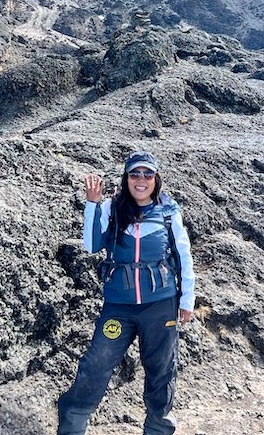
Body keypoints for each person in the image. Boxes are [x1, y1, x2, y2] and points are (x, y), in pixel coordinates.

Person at [57, 151, 195, 435]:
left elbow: (183, 255)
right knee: (96, 363)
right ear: (126, 178)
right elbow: (92, 244)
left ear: (156, 179)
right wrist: (93, 205)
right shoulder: (112, 207)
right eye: (135, 174)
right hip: (118, 306)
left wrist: (186, 299)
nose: (141, 180)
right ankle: (71, 428)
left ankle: (157, 428)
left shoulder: (169, 210)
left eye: (148, 174)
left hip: (161, 304)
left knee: (161, 369)